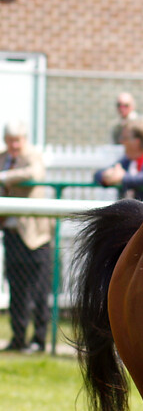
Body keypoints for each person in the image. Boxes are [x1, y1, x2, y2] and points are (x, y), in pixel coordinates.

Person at [0, 120, 53, 353]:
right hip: (12, 234)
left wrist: (4, 177)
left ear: (25, 139)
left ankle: (39, 341)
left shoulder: (33, 156)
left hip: (36, 236)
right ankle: (18, 338)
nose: (13, 145)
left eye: (17, 140)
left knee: (39, 290)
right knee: (17, 290)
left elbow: (35, 173)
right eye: (10, 141)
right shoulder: (3, 157)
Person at [95, 118, 143, 203]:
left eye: (125, 138)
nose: (121, 141)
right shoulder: (127, 160)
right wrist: (106, 177)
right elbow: (97, 174)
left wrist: (123, 178)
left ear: (137, 141)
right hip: (129, 214)